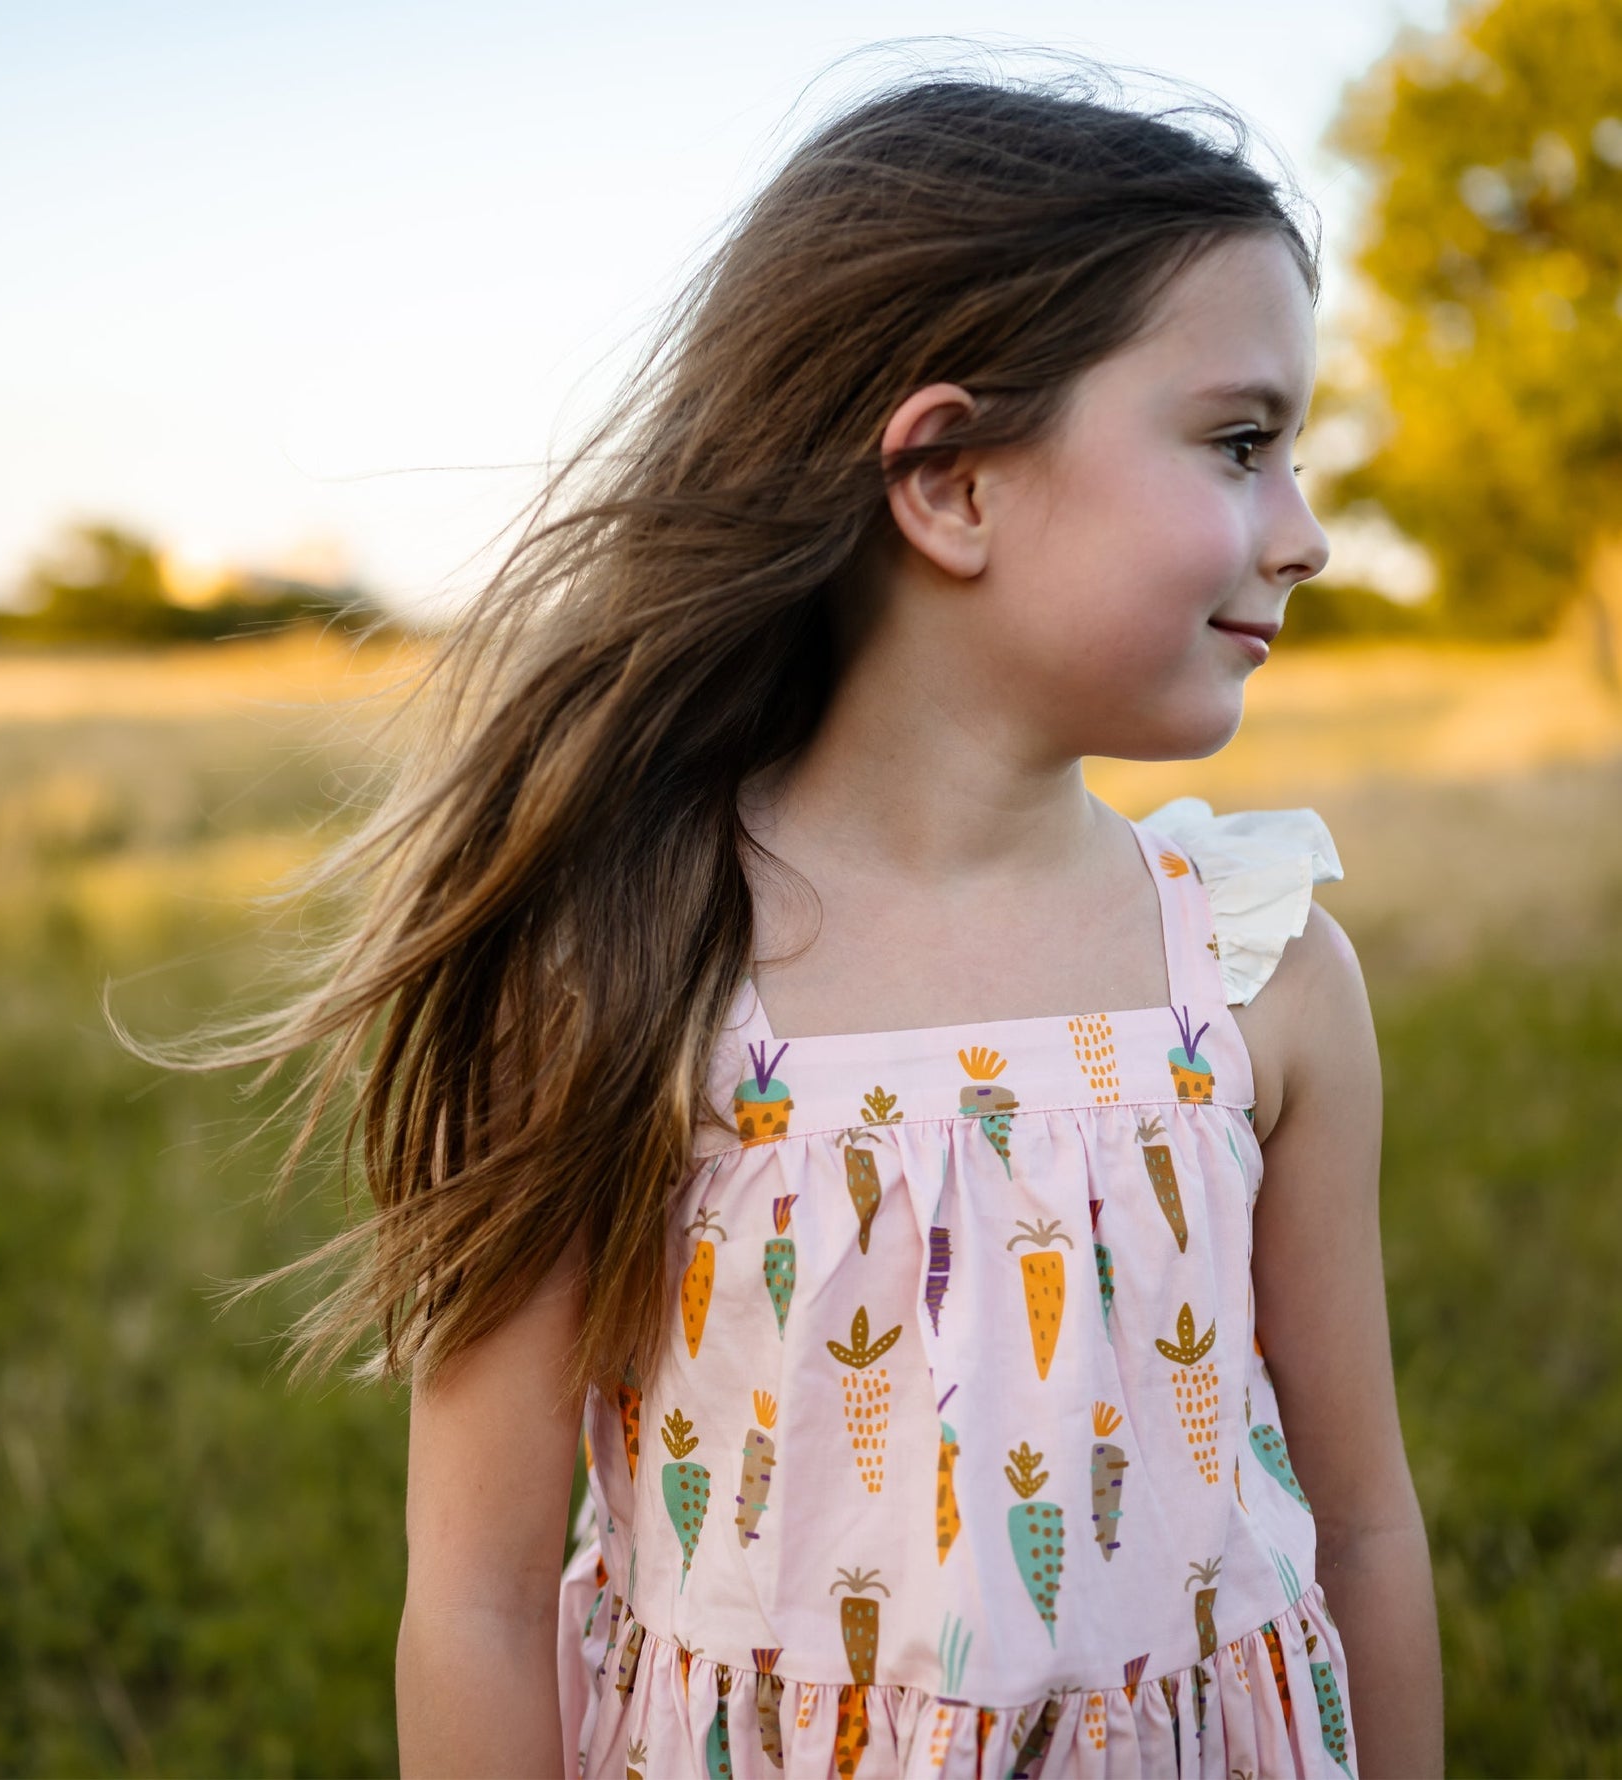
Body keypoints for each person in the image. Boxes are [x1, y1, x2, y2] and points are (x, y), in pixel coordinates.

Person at [220, 57, 1443, 1779]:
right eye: (1241, 443)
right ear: (950, 479)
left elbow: (1368, 1536)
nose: (1304, 533)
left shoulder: (1260, 975)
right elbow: (478, 1599)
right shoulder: (627, 967)